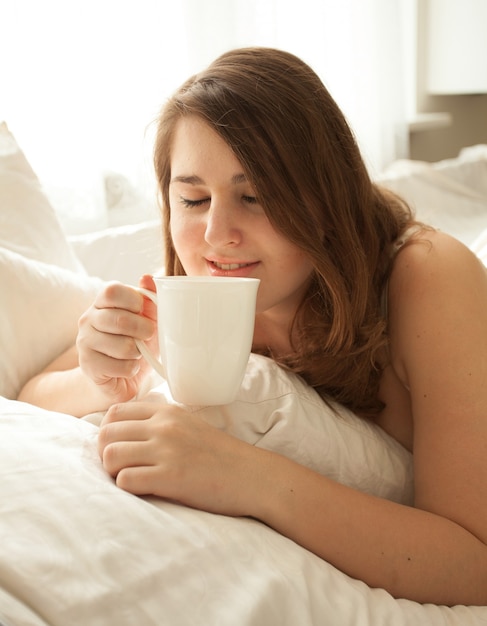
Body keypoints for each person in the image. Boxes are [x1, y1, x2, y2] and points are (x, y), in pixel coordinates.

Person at [18, 47, 487, 605]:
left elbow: (473, 561)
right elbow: (33, 394)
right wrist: (102, 376)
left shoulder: (425, 276)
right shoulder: (198, 296)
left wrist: (248, 477)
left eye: (255, 196)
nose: (217, 235)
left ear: (327, 196)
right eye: (193, 198)